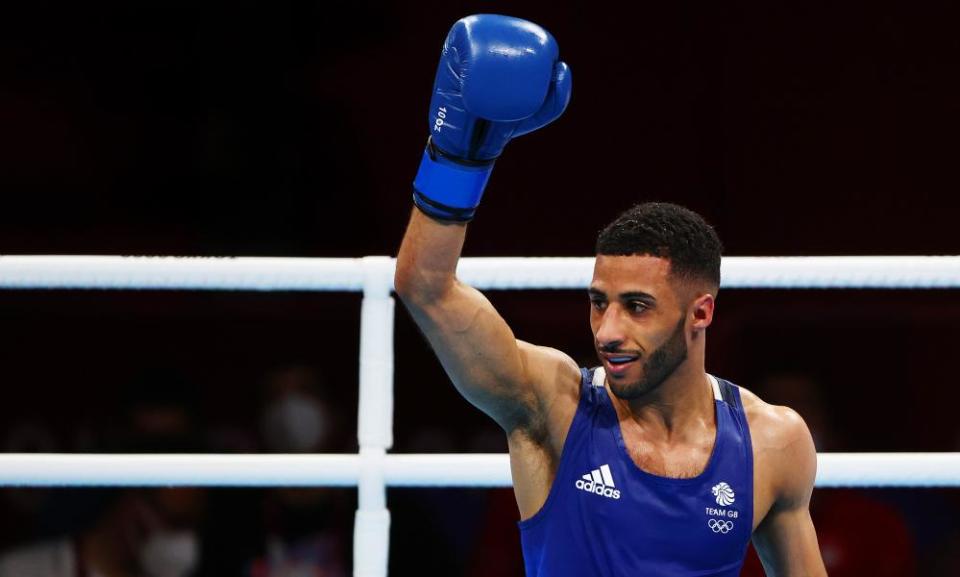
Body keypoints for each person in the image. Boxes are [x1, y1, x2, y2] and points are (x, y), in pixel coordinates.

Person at [394, 14, 828, 576]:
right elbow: (425, 287)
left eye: (637, 307)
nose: (607, 332)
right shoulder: (552, 405)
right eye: (599, 302)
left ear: (701, 312)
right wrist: (458, 159)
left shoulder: (775, 441)